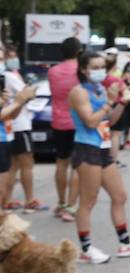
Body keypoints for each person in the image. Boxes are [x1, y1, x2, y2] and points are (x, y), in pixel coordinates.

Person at [67, 51, 130, 263]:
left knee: (119, 196)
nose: (100, 71)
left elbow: (110, 120)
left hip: (103, 148)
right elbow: (90, 121)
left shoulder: (99, 89)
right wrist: (110, 102)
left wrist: (122, 102)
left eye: (102, 67)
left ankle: (125, 243)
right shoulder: (79, 92)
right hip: (87, 148)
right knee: (88, 201)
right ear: (84, 69)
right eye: (95, 67)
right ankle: (86, 250)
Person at [2, 47, 44, 212]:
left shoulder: (10, 75)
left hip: (12, 125)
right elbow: (24, 95)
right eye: (9, 57)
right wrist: (30, 92)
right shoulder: (10, 76)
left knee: (11, 166)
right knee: (26, 164)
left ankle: (7, 200)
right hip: (19, 124)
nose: (13, 59)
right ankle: (29, 200)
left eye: (15, 56)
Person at [47, 36, 83, 223]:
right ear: (79, 51)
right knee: (76, 166)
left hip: (59, 121)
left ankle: (61, 203)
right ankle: (70, 206)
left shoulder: (53, 71)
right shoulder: (81, 70)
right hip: (78, 121)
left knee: (61, 162)